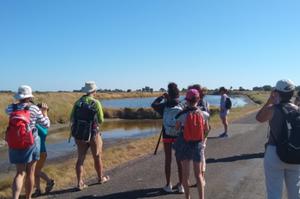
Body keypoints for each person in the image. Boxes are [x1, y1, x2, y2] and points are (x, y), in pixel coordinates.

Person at [256, 79, 300, 199]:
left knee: (274, 192)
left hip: (274, 153)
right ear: (292, 93)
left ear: (277, 92)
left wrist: (270, 99)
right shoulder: (297, 110)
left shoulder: (272, 109)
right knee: (295, 193)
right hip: (296, 154)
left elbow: (259, 118)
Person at [5, 85, 50, 199]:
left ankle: (15, 197)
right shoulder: (34, 108)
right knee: (30, 172)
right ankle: (28, 197)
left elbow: (7, 111)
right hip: (31, 141)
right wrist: (44, 113)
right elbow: (46, 124)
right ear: (29, 96)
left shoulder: (11, 108)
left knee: (19, 173)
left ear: (19, 96)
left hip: (15, 141)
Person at [70, 81, 109, 191]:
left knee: (80, 159)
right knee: (97, 157)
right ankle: (100, 178)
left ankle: (79, 183)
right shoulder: (95, 103)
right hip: (93, 133)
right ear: (94, 91)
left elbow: (72, 118)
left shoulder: (77, 102)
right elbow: (101, 120)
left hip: (79, 134)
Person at [174, 89, 209, 199]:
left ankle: (188, 197)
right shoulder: (204, 114)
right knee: (198, 175)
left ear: (187, 101)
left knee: (185, 175)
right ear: (198, 99)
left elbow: (177, 128)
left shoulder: (182, 114)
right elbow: (207, 129)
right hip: (197, 145)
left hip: (185, 144)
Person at [151, 82, 184, 193]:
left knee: (168, 160)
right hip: (179, 136)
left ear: (168, 93)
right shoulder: (181, 105)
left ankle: (168, 185)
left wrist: (161, 97)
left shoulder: (164, 105)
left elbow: (153, 104)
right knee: (180, 160)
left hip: (167, 135)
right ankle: (181, 185)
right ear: (178, 93)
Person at [32, 103, 54, 197]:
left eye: (38, 110)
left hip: (41, 151)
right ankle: (38, 190)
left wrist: (45, 113)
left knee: (35, 171)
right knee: (35, 172)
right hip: (36, 150)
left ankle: (49, 181)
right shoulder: (40, 123)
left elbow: (44, 130)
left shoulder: (40, 124)